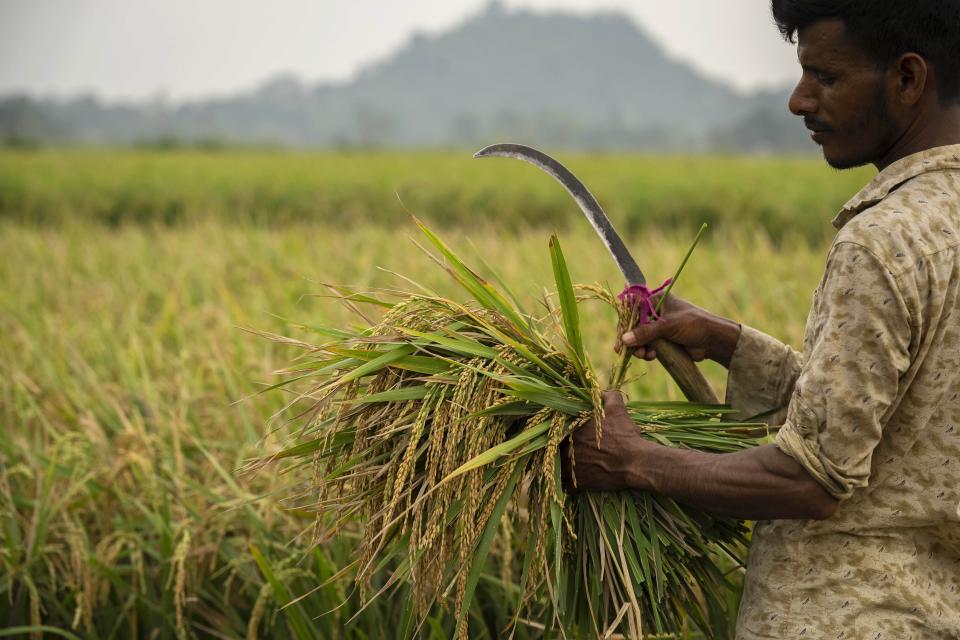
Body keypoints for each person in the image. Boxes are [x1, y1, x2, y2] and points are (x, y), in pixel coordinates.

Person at [566, 1, 960, 637]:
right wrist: (728, 343)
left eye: (826, 77)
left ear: (908, 79)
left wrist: (632, 460)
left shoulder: (882, 243)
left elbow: (812, 478)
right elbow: (891, 424)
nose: (798, 100)